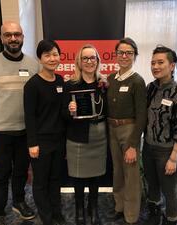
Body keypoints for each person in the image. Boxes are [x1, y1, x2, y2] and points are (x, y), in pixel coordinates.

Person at [0, 21, 38, 225]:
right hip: (0, 132)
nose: (13, 38)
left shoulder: (33, 65)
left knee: (22, 171)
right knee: (1, 173)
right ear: (1, 38)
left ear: (23, 37)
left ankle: (19, 202)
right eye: (8, 35)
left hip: (26, 131)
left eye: (17, 35)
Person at [142, 46, 177, 225]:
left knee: (169, 190)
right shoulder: (150, 89)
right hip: (148, 148)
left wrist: (173, 158)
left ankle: (171, 219)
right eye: (153, 63)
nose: (155, 66)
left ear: (172, 66)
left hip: (167, 151)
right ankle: (154, 214)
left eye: (160, 62)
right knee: (152, 185)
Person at [63, 45, 107, 225]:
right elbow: (62, 115)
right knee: (78, 176)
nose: (89, 62)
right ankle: (80, 209)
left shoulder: (104, 84)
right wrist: (69, 109)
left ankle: (93, 208)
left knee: (96, 176)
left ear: (97, 61)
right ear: (79, 62)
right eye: (85, 58)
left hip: (100, 136)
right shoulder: (70, 85)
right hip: (77, 136)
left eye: (92, 58)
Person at [23, 40, 66, 225]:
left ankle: (57, 213)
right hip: (40, 142)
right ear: (40, 58)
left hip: (58, 141)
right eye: (47, 55)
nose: (52, 58)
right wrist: (32, 143)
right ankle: (46, 217)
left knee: (56, 179)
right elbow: (29, 116)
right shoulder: (32, 85)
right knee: (40, 182)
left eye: (55, 54)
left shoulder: (60, 80)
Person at [107, 37, 147, 224]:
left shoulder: (137, 81)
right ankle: (119, 207)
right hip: (112, 130)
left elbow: (142, 116)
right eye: (121, 52)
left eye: (129, 53)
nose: (124, 56)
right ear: (116, 55)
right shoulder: (110, 79)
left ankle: (131, 215)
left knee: (130, 174)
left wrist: (132, 144)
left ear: (134, 56)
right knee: (117, 171)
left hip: (129, 130)